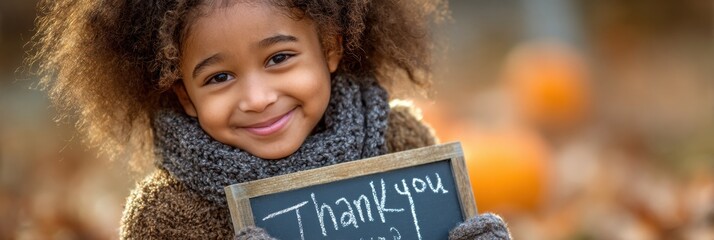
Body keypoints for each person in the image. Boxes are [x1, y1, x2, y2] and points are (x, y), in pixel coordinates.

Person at [29, 0, 511, 239]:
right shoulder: (166, 216)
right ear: (186, 95)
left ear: (331, 47)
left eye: (279, 58)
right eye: (219, 77)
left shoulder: (400, 142)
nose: (257, 98)